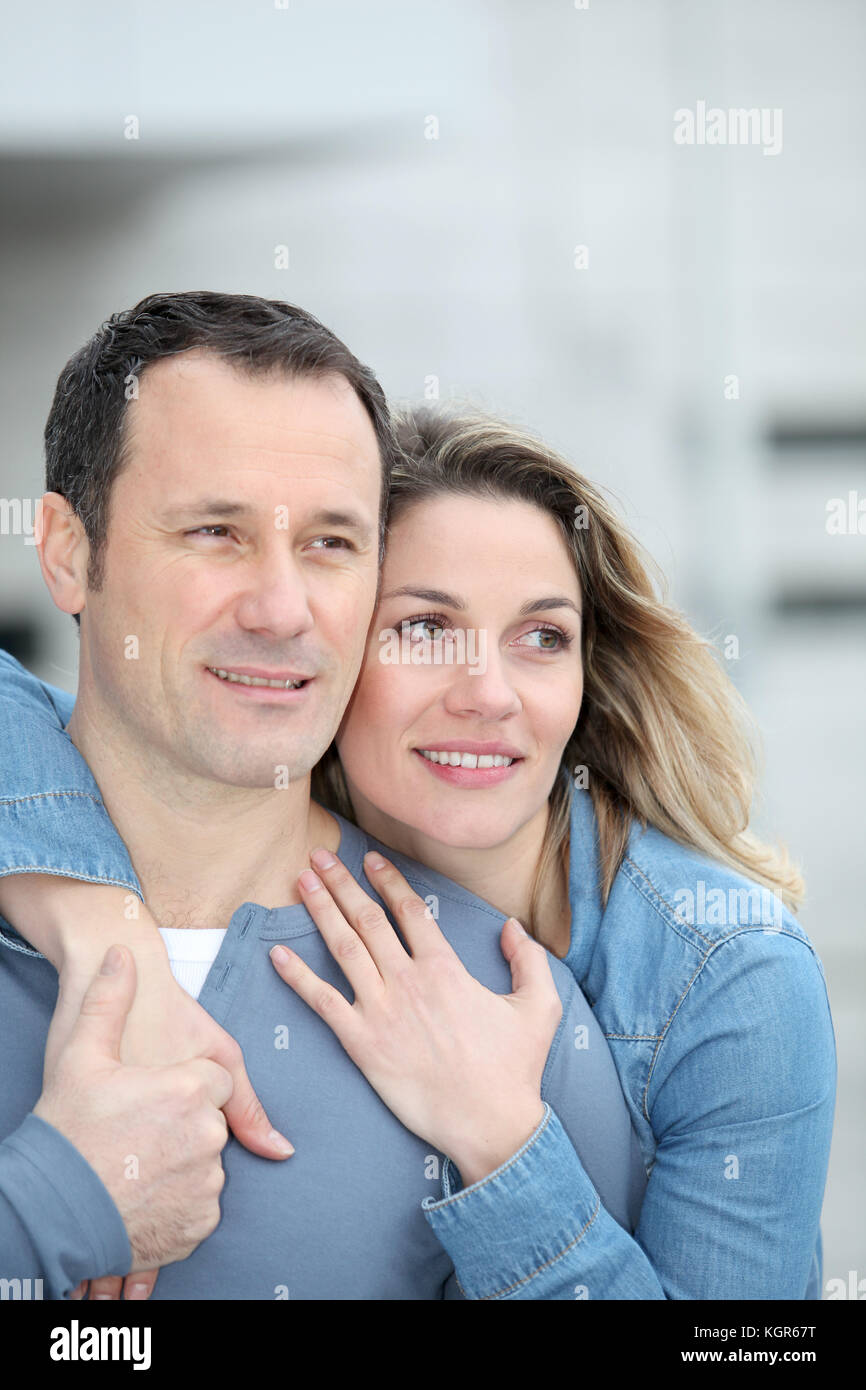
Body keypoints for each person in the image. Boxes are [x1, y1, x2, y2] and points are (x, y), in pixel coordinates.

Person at [1, 340, 835, 1299]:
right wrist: (105, 931)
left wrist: (502, 1143)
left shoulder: (729, 978)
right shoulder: (186, 792)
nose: (487, 693)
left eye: (542, 637)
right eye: (425, 627)